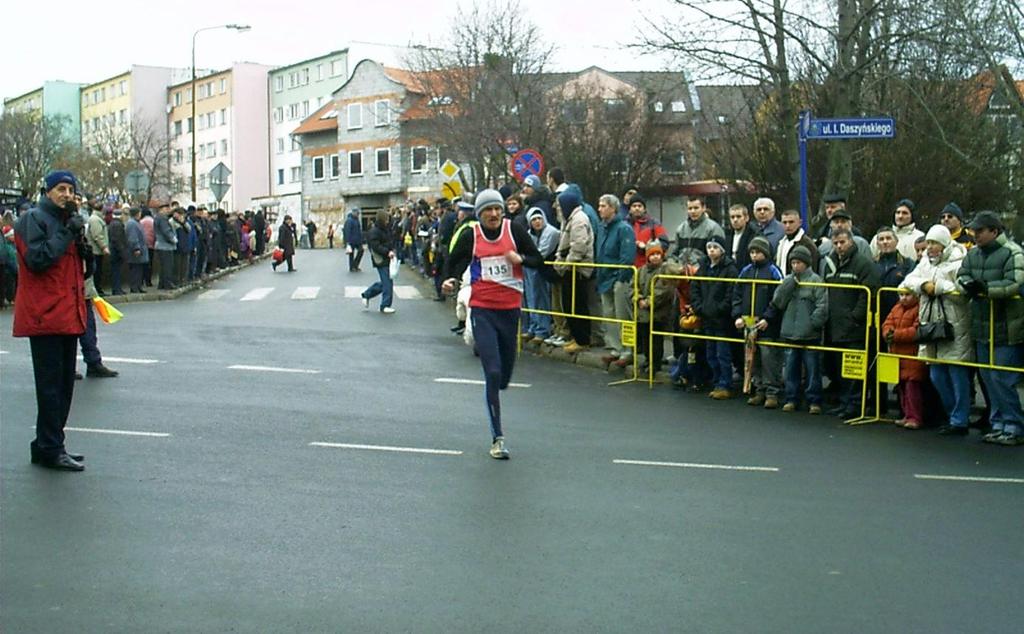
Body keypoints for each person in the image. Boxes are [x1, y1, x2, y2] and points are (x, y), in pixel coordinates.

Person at [442, 189, 543, 459]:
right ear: (479, 214)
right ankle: (497, 438)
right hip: (483, 309)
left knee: (505, 376)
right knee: (493, 371)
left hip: (510, 311)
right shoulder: (470, 235)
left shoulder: (515, 231)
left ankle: (496, 390)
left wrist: (520, 259)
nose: (494, 214)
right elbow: (453, 261)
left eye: (498, 209)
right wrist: (450, 279)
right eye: (488, 210)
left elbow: (538, 260)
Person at [12, 170, 88, 471]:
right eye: (61, 189)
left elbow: (82, 268)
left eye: (71, 189)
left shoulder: (63, 221)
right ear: (47, 191)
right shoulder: (34, 219)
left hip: (66, 313)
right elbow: (38, 260)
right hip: (46, 315)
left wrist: (81, 243)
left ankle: (49, 444)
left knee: (64, 385)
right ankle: (50, 447)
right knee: (51, 388)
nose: (67, 195)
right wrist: (67, 233)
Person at [957, 211, 1024, 445]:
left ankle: (1014, 425)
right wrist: (968, 286)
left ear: (994, 231)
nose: (975, 235)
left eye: (980, 231)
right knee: (986, 376)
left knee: (1002, 377)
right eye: (974, 231)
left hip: (1007, 326)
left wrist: (986, 288)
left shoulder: (1013, 253)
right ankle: (998, 423)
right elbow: (961, 275)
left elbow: (1015, 282)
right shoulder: (973, 254)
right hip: (982, 326)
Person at [900, 225, 971, 434]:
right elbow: (908, 280)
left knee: (957, 374)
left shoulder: (959, 261)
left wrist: (938, 286)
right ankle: (952, 415)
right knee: (937, 375)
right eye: (928, 243)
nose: (929, 248)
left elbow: (963, 289)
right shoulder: (925, 262)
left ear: (944, 243)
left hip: (955, 325)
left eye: (934, 243)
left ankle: (960, 420)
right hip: (931, 325)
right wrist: (924, 285)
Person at [821, 228, 880, 418]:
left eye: (842, 242)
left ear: (851, 242)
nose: (839, 246)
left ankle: (855, 404)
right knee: (841, 369)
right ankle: (845, 402)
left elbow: (868, 293)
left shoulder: (863, 264)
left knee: (855, 369)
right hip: (835, 325)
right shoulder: (830, 264)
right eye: (836, 243)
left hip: (855, 327)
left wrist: (856, 317)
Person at [765, 245, 828, 414]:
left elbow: (822, 305)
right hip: (790, 333)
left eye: (798, 262)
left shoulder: (816, 280)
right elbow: (777, 302)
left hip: (810, 334)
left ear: (806, 263)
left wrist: (813, 324)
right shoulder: (788, 280)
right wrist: (788, 284)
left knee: (813, 369)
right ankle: (791, 398)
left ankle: (814, 400)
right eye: (792, 262)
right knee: (791, 369)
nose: (795, 266)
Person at [733, 236, 784, 408]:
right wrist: (738, 315)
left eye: (758, 252)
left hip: (767, 324)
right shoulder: (745, 271)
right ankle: (758, 389)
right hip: (748, 322)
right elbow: (737, 294)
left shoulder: (773, 271)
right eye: (752, 252)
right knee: (752, 358)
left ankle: (772, 392)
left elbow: (778, 298)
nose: (754, 255)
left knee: (769, 358)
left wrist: (768, 318)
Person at [690, 236, 739, 399]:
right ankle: (716, 380)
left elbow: (731, 294)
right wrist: (698, 307)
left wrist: (720, 309)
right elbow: (695, 288)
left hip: (722, 319)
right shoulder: (703, 267)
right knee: (711, 353)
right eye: (709, 247)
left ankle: (725, 384)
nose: (711, 250)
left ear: (722, 250)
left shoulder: (730, 269)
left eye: (715, 247)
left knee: (722, 354)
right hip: (706, 317)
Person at [595, 194, 636, 365]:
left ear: (613, 208)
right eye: (600, 205)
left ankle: (628, 350)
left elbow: (627, 255)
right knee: (609, 314)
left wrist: (621, 278)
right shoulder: (602, 227)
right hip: (604, 276)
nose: (600, 209)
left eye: (603, 206)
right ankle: (616, 347)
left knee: (623, 314)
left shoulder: (623, 228)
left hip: (619, 277)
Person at [553, 189, 594, 353]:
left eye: (559, 205)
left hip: (578, 269)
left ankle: (583, 340)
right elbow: (564, 244)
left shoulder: (578, 220)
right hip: (570, 268)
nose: (557, 208)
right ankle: (577, 337)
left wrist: (565, 264)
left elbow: (579, 246)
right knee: (569, 304)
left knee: (577, 305)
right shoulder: (569, 218)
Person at [881, 290, 928, 429]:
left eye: (907, 295)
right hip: (898, 354)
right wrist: (887, 333)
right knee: (902, 387)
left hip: (912, 355)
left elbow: (915, 331)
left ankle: (915, 417)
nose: (904, 298)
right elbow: (886, 324)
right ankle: (907, 415)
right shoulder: (896, 308)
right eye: (901, 295)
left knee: (912, 387)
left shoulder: (920, 309)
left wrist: (894, 335)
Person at [630, 240, 679, 373]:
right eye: (652, 254)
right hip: (643, 313)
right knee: (645, 338)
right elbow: (633, 286)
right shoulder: (641, 271)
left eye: (658, 254)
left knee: (656, 340)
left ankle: (655, 363)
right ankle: (647, 359)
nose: (655, 257)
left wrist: (649, 301)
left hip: (658, 313)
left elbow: (664, 291)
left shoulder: (665, 270)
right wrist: (638, 298)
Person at [524, 206, 560, 345]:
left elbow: (541, 253)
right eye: (534, 219)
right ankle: (533, 326)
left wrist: (527, 258)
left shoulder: (551, 232)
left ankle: (542, 329)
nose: (537, 222)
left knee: (541, 299)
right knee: (531, 298)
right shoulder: (530, 233)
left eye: (539, 218)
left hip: (544, 270)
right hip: (532, 268)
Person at [360, 210, 397, 314]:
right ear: (381, 219)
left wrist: (391, 250)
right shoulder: (374, 231)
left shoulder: (385, 229)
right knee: (387, 282)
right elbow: (376, 246)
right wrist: (387, 252)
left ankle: (367, 294)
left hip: (387, 258)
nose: (387, 221)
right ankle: (384, 305)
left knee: (385, 282)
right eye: (386, 219)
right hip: (381, 259)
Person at [673, 196, 725, 267]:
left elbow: (719, 256)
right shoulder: (680, 229)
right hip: (682, 272)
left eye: (696, 208)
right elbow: (674, 253)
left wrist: (700, 268)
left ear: (703, 208)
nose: (693, 211)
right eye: (690, 208)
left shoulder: (714, 228)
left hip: (704, 273)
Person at [776, 209, 818, 275]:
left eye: (791, 222)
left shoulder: (807, 244)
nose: (787, 225)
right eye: (784, 222)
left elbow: (813, 269)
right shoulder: (781, 242)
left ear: (800, 223)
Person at [153, 202, 177, 289]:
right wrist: (174, 239)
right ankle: (167, 284)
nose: (168, 210)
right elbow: (166, 231)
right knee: (167, 266)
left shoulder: (157, 218)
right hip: (165, 246)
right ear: (161, 210)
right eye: (166, 209)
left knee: (163, 266)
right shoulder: (162, 218)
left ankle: (162, 284)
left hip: (160, 245)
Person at [125, 207, 148, 293]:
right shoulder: (132, 224)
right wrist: (136, 248)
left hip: (140, 250)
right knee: (135, 270)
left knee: (139, 270)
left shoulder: (136, 223)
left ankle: (138, 286)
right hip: (135, 251)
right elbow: (132, 237)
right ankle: (134, 287)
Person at [107, 206, 127, 295]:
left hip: (113, 251)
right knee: (116, 271)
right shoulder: (118, 225)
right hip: (116, 252)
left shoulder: (112, 224)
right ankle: (117, 289)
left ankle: (117, 289)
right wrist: (122, 252)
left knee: (115, 271)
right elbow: (118, 240)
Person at [343, 207, 364, 272]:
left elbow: (359, 230)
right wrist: (347, 242)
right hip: (351, 240)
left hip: (357, 240)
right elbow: (347, 231)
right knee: (351, 255)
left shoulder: (356, 220)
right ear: (353, 212)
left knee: (361, 251)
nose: (358, 214)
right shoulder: (349, 220)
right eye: (357, 213)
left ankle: (355, 265)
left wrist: (361, 240)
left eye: (358, 213)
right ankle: (352, 267)